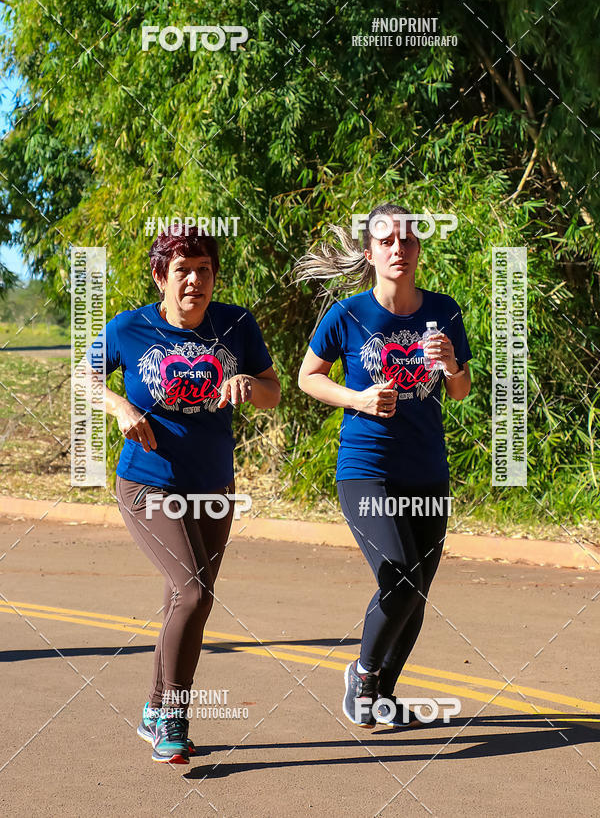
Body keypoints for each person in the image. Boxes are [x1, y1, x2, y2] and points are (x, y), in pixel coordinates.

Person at [87, 226, 280, 763]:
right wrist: (120, 408)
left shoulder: (236, 324)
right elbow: (83, 379)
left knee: (183, 598)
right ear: (160, 278)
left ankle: (153, 706)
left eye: (204, 271)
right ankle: (173, 715)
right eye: (183, 271)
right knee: (194, 592)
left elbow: (274, 391)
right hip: (149, 482)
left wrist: (249, 387)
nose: (195, 281)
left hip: (214, 484)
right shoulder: (130, 328)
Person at [296, 202, 472, 729]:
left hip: (427, 471)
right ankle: (364, 674)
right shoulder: (349, 315)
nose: (399, 249)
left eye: (408, 240)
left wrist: (450, 364)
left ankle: (380, 697)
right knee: (401, 578)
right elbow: (308, 376)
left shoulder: (444, 311)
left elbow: (460, 392)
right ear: (371, 252)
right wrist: (359, 398)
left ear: (419, 248)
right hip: (366, 468)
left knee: (417, 595)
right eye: (387, 241)